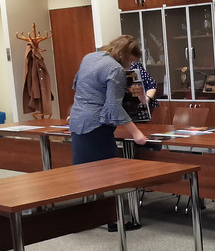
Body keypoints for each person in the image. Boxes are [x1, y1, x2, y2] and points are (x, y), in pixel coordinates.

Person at [68, 34, 150, 231]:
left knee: (86, 173)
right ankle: (115, 220)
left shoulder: (90, 57)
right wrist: (136, 133)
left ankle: (93, 216)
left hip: (78, 121)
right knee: (110, 173)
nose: (130, 66)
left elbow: (77, 85)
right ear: (123, 54)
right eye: (130, 61)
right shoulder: (115, 69)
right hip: (96, 125)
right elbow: (113, 107)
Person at [124, 46, 159, 125]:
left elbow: (152, 84)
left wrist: (146, 99)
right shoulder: (113, 68)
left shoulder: (135, 66)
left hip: (140, 108)